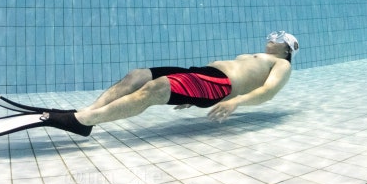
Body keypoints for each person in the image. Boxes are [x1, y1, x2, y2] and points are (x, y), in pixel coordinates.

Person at [47, 31, 299, 136]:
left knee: (154, 89)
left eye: (279, 37)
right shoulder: (258, 56)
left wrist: (236, 102)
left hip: (218, 84)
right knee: (137, 75)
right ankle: (87, 113)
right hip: (203, 75)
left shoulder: (282, 64)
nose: (272, 37)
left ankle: (84, 121)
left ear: (287, 48)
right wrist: (193, 96)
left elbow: (268, 92)